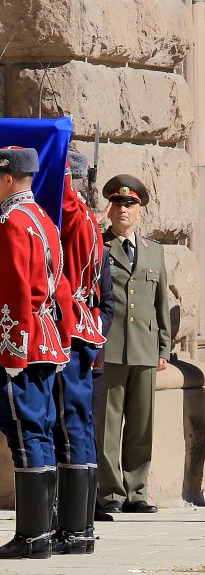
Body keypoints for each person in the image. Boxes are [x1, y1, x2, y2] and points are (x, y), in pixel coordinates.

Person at [0, 146, 73, 559]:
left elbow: (15, 291)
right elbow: (60, 285)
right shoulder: (44, 219)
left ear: (10, 179)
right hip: (44, 339)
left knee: (24, 434)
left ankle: (32, 538)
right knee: (38, 433)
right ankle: (41, 533)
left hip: (20, 344)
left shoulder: (12, 222)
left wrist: (13, 353)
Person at [95, 175, 170, 514]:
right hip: (108, 346)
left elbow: (159, 300)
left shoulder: (155, 252)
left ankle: (136, 491)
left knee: (141, 423)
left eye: (130, 204)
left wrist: (163, 348)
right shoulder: (97, 245)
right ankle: (111, 493)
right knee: (108, 423)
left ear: (141, 210)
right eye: (118, 203)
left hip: (144, 345)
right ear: (109, 209)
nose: (123, 209)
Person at [50, 153, 106, 554]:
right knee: (75, 426)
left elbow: (66, 203)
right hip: (80, 326)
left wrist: (58, 158)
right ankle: (77, 526)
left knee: (70, 425)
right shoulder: (86, 217)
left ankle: (76, 529)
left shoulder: (77, 214)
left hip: (71, 329)